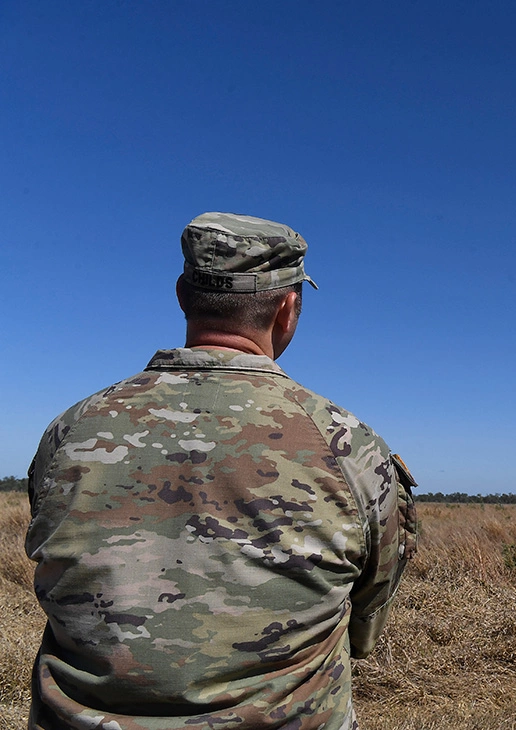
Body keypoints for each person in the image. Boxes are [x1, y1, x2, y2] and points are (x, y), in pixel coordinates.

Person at [25, 212, 419, 729]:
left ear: (181, 296)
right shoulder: (349, 446)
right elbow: (365, 620)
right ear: (287, 309)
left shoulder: (71, 430)